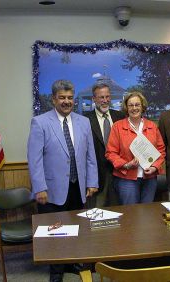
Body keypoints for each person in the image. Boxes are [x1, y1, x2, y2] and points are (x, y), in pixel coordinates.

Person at [27, 80, 98, 282]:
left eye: (69, 98)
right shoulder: (40, 122)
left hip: (78, 187)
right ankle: (56, 271)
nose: (66, 101)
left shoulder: (83, 122)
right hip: (51, 189)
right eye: (62, 98)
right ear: (54, 99)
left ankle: (71, 262)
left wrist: (92, 182)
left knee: (75, 228)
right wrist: (39, 187)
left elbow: (90, 155)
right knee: (55, 231)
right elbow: (35, 159)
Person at [105, 91, 165, 205]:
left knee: (147, 213)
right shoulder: (117, 127)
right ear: (126, 108)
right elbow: (110, 153)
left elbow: (161, 151)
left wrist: (154, 167)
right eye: (130, 105)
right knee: (131, 214)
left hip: (149, 179)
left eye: (137, 105)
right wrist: (126, 165)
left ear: (142, 107)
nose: (134, 108)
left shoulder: (152, 126)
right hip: (126, 179)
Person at [84, 82, 125, 208]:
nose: (105, 100)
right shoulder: (85, 120)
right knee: (97, 211)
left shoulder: (120, 117)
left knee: (119, 210)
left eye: (107, 97)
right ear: (94, 99)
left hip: (120, 173)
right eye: (101, 97)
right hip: (97, 175)